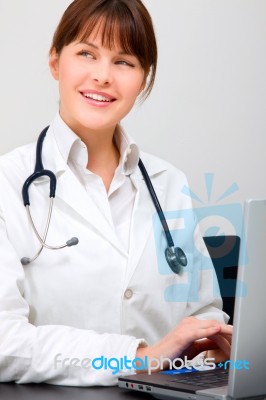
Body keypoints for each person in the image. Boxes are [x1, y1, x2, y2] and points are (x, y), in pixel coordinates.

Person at [0, 0, 232, 386]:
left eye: (124, 62)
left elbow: (205, 310)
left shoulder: (169, 183)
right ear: (55, 62)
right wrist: (141, 357)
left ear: (143, 78)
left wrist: (210, 347)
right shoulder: (6, 182)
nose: (103, 76)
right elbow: (4, 342)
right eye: (86, 54)